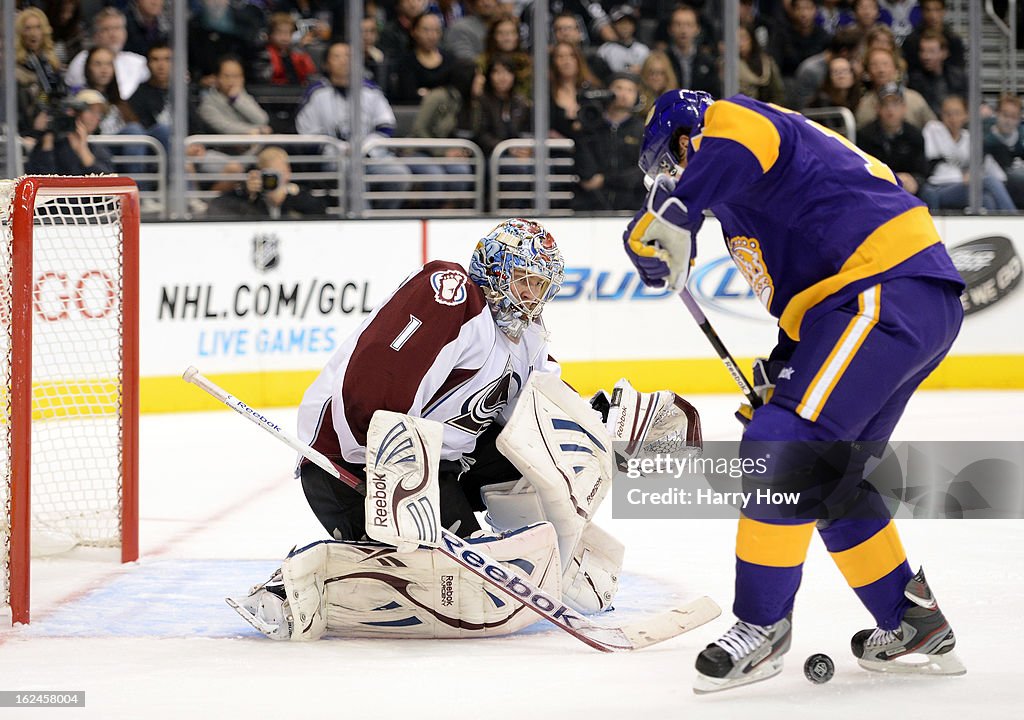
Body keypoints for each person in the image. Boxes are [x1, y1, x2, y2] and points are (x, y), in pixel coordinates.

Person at [623, 89, 967, 693]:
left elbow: (738, 135)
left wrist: (679, 212)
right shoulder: (747, 209)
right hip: (896, 300)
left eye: (673, 166)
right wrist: (781, 372)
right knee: (830, 480)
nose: (676, 179)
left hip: (881, 287)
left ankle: (762, 627)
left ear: (684, 140)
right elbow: (806, 304)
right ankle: (912, 622)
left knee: (779, 447)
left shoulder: (734, 121)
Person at [226, 219, 692, 641]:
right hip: (360, 466)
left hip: (442, 468)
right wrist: (387, 468)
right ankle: (292, 587)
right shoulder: (452, 296)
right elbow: (371, 384)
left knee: (541, 461)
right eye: (524, 281)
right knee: (447, 576)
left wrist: (602, 422)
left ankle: (549, 551)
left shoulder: (527, 337)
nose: (532, 296)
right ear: (493, 270)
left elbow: (544, 411)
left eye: (540, 286)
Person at [295, 41, 411, 210]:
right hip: (334, 159)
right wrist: (339, 149)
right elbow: (307, 133)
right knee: (353, 173)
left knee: (400, 175)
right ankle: (363, 223)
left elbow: (385, 126)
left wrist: (363, 148)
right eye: (337, 56)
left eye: (348, 56)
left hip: (370, 156)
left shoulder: (371, 90)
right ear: (326, 64)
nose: (344, 61)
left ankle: (384, 220)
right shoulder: (316, 93)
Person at [920, 94, 1016, 212]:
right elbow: (932, 160)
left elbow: (977, 164)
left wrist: (969, 173)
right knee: (989, 181)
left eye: (957, 113)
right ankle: (1016, 219)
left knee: (987, 199)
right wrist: (964, 174)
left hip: (961, 186)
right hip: (939, 187)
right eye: (947, 113)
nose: (952, 118)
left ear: (966, 115)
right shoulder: (933, 129)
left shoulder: (968, 138)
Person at [573, 72, 647, 211]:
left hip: (632, 205)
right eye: (618, 88)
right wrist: (582, 130)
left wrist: (605, 180)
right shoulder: (592, 126)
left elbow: (643, 171)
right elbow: (586, 173)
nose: (624, 94)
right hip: (592, 205)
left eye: (630, 90)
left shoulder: (643, 130)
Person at [206, 146, 330, 219]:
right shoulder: (252, 196)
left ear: (288, 172)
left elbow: (319, 211)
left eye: (278, 173)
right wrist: (245, 193)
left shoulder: (298, 193)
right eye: (269, 174)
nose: (273, 180)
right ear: (260, 174)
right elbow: (217, 208)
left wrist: (284, 199)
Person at [856, 83, 929, 197]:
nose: (890, 110)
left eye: (895, 104)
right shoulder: (865, 136)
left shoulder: (914, 135)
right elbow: (862, 170)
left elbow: (922, 171)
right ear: (878, 108)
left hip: (908, 190)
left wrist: (915, 180)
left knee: (928, 193)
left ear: (904, 108)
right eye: (885, 104)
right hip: (877, 188)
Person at [64, 7, 150, 100]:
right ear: (96, 35)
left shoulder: (138, 62)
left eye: (117, 28)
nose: (113, 34)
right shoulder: (83, 60)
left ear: (125, 33)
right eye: (106, 29)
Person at [25, 88, 114, 175]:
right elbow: (41, 177)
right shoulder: (55, 143)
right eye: (90, 110)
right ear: (74, 112)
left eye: (99, 113)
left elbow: (107, 179)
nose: (95, 118)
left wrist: (83, 151)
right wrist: (47, 141)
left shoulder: (98, 148)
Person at [984, 93, 1024, 208]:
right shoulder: (986, 138)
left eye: (1013, 116)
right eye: (1005, 115)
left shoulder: (1022, 137)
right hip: (998, 186)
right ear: (996, 113)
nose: (1008, 120)